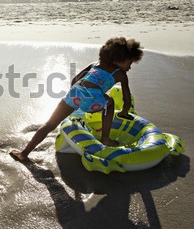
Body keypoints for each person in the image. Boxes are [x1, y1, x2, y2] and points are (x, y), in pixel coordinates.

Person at [10, 37, 143, 162]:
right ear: (117, 60)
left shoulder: (94, 64)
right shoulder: (120, 74)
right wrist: (124, 112)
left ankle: (24, 153)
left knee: (49, 124)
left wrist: (76, 100)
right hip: (93, 99)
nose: (129, 67)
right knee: (110, 102)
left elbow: (75, 80)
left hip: (75, 92)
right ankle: (105, 138)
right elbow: (127, 98)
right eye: (129, 63)